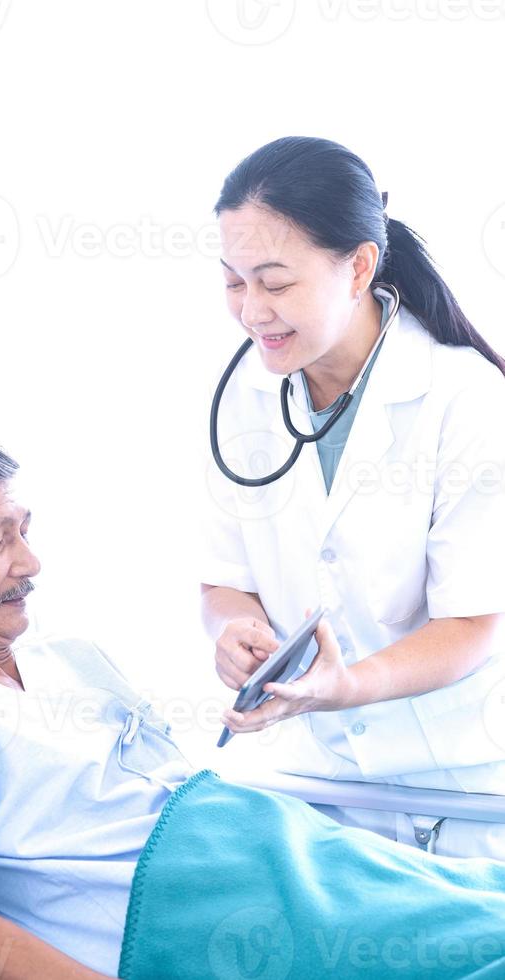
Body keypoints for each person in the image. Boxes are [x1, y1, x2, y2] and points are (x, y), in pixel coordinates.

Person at [0, 427, 505, 980]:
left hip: (282, 852)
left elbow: (181, 793)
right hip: (208, 911)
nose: (31, 562)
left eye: (25, 531)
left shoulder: (64, 655)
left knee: (481, 907)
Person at [200, 135, 505, 859]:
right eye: (232, 281)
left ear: (358, 266)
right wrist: (232, 631)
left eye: (274, 283)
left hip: (459, 788)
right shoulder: (241, 397)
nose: (250, 311)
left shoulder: (463, 399)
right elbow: (223, 580)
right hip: (317, 782)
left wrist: (346, 685)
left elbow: (471, 625)